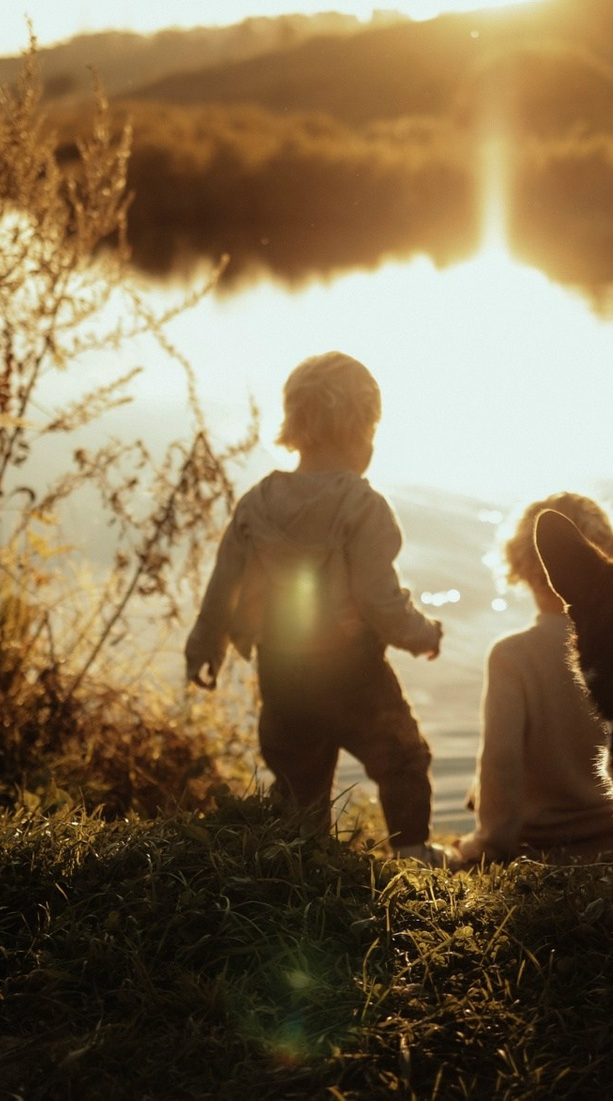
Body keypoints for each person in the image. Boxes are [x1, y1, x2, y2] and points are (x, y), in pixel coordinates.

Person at [184, 352, 449, 864]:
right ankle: (413, 852)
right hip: (353, 671)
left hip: (281, 671)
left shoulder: (257, 503)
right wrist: (423, 635)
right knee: (402, 758)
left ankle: (303, 857)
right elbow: (380, 600)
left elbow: (223, 590)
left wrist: (204, 647)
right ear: (361, 430)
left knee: (298, 774)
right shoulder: (362, 506)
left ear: (295, 424)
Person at [453, 493, 613, 868]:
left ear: (523, 566)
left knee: (480, 792)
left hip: (541, 846)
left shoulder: (513, 655)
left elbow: (500, 760)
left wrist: (489, 843)